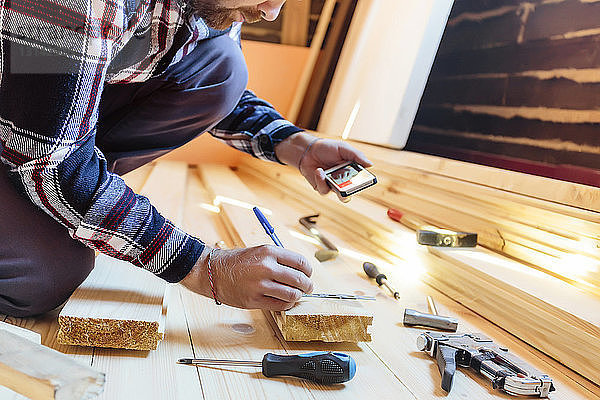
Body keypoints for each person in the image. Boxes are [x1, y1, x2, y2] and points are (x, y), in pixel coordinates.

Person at [0, 0, 372, 317]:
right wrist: (204, 267)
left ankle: (63, 200)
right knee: (42, 275)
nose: (273, 12)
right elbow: (52, 159)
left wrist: (294, 144)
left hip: (34, 125)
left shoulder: (209, 5)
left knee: (222, 66)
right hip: (36, 142)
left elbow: (198, 74)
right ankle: (58, 200)